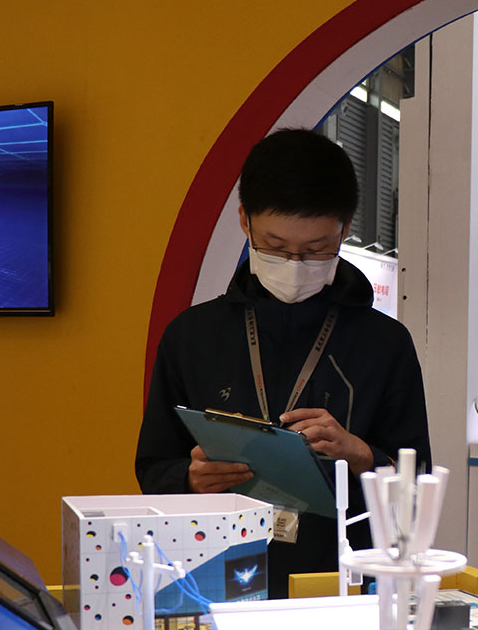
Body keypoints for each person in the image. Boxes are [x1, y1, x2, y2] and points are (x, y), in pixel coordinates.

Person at [136, 129, 429, 597]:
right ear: (244, 221)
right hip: (213, 572)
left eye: (315, 250)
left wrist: (360, 454)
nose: (294, 264)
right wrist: (188, 477)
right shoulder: (190, 336)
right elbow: (152, 468)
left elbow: (419, 484)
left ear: (344, 230)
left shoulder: (385, 343)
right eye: (275, 247)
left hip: (342, 581)